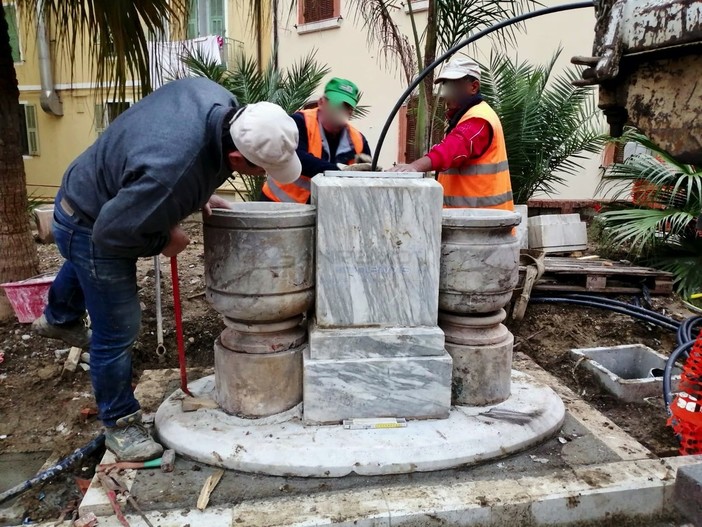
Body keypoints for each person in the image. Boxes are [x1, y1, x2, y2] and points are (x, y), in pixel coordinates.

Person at [32, 78, 301, 462]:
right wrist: (165, 240)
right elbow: (110, 236)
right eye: (262, 169)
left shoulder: (214, 97)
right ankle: (120, 423)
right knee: (118, 327)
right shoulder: (168, 176)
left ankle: (59, 317)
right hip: (92, 224)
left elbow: (167, 148)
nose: (263, 176)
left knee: (84, 267)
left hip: (88, 186)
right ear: (238, 158)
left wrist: (197, 192)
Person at [393, 57, 514, 211]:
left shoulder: (479, 119)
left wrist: (414, 167)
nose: (448, 94)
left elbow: (452, 149)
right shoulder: (464, 117)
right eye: (446, 86)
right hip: (469, 222)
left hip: (483, 225)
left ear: (473, 87)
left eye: (454, 86)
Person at [261, 77, 373, 203]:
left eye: (346, 107)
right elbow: (297, 158)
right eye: (337, 104)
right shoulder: (299, 122)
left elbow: (365, 182)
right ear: (321, 102)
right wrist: (340, 170)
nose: (341, 111)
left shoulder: (358, 140)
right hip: (277, 203)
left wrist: (370, 170)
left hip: (322, 211)